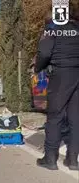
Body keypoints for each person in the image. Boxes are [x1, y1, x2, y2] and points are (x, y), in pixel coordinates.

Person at [34, 5, 79, 171]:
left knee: (55, 117)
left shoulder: (53, 28)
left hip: (60, 75)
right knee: (76, 119)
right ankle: (73, 160)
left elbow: (44, 53)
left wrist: (37, 68)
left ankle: (50, 158)